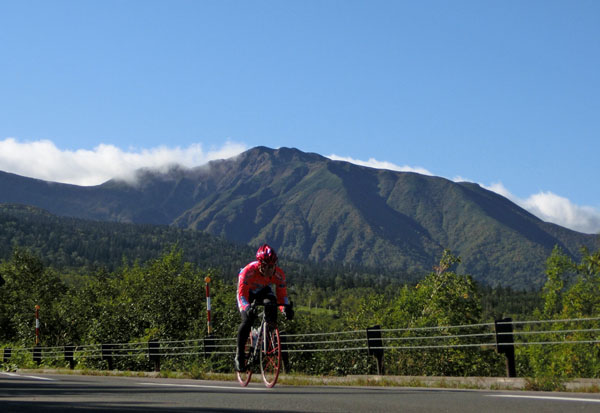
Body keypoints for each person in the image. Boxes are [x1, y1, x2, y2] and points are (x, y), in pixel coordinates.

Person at [235, 244, 294, 372]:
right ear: (260, 264)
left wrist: (285, 309)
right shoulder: (247, 272)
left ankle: (264, 336)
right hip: (247, 294)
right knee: (247, 320)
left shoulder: (279, 274)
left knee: (272, 303)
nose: (269, 269)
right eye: (266, 266)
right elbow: (241, 296)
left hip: (263, 291)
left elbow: (282, 297)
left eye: (272, 266)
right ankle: (239, 355)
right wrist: (247, 308)